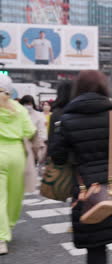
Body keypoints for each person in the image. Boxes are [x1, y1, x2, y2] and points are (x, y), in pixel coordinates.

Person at [49, 70, 112, 264]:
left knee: (95, 247)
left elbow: (57, 156)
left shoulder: (68, 120)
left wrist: (75, 158)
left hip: (85, 189)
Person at [0, 74, 36, 255]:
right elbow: (29, 131)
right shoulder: (18, 108)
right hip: (16, 153)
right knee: (15, 195)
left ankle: (1, 237)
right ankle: (9, 225)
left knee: (0, 197)